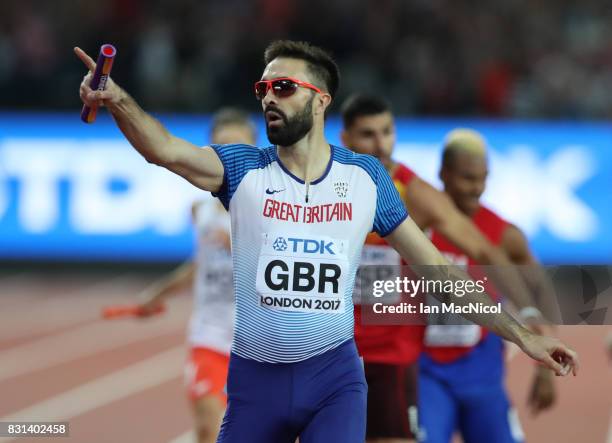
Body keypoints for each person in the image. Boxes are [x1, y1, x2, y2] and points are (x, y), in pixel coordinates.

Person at [75, 40, 578, 443]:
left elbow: (440, 273)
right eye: (264, 87)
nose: (269, 96)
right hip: (255, 382)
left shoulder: (365, 179)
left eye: (284, 86)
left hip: (333, 379)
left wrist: (522, 334)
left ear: (320, 100)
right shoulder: (241, 167)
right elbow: (163, 149)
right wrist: (118, 99)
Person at [340, 94, 552, 443]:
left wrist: (530, 319)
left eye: (387, 131)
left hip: (397, 358)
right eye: (368, 134)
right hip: (338, 349)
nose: (381, 144)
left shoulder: (417, 196)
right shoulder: (326, 185)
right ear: (347, 138)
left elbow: (486, 249)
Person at [418, 128, 556, 443]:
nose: (477, 188)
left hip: (481, 368)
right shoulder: (415, 224)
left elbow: (539, 291)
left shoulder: (503, 233)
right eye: (468, 178)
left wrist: (545, 368)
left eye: (483, 178)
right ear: (443, 173)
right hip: (426, 369)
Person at [136, 108, 257, 443]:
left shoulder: (273, 211)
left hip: (261, 343)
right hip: (211, 336)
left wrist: (240, 246)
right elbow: (200, 264)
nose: (230, 156)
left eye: (238, 147)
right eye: (222, 147)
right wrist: (158, 293)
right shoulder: (200, 210)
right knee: (208, 428)